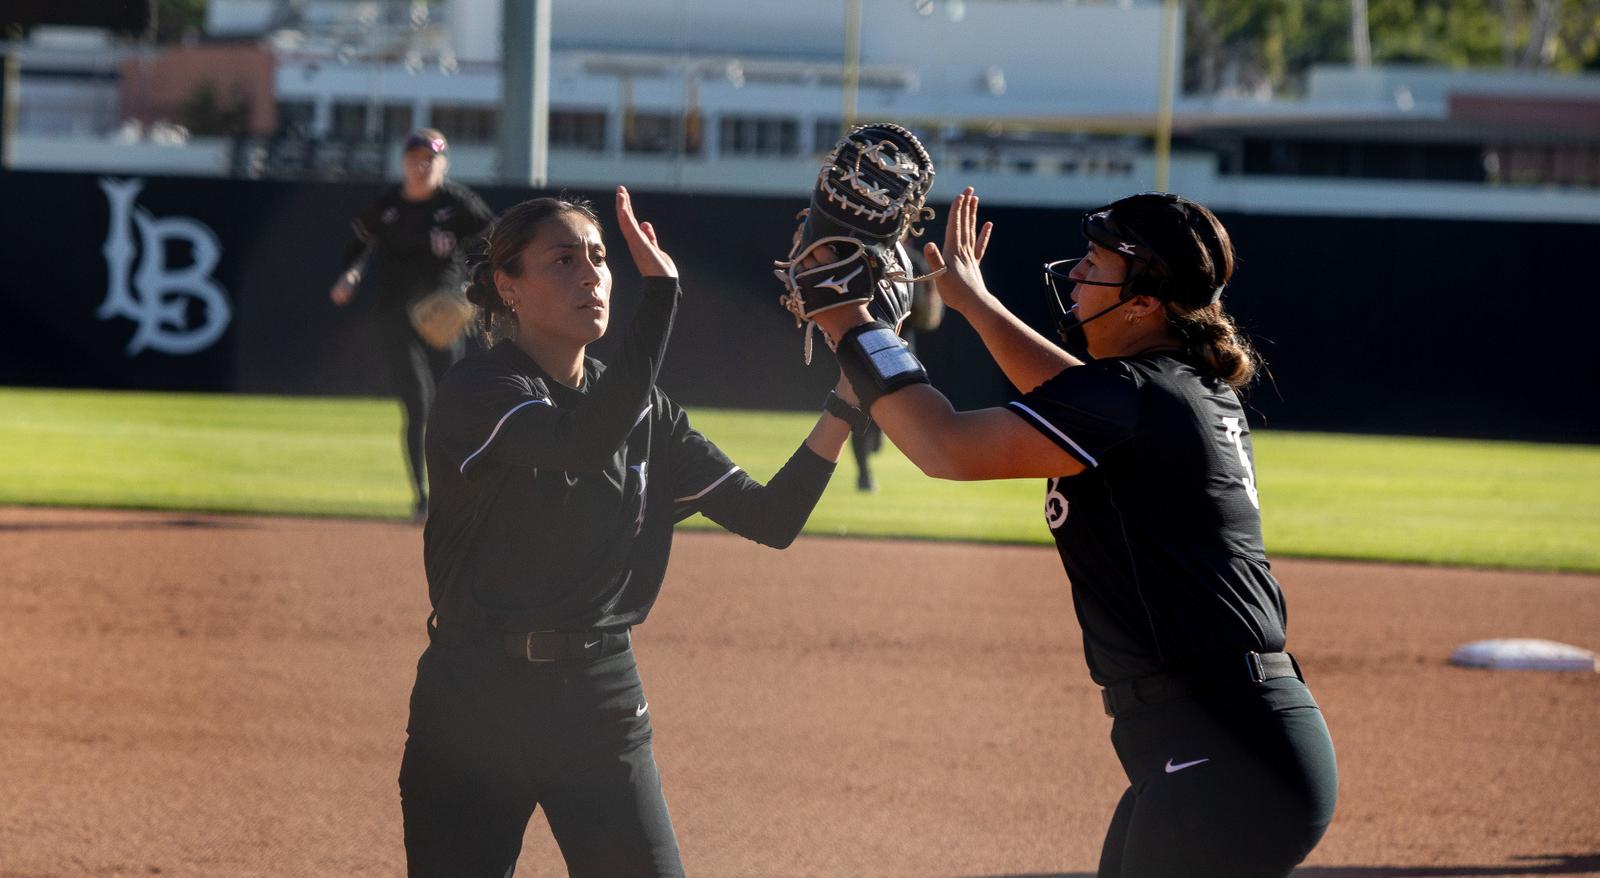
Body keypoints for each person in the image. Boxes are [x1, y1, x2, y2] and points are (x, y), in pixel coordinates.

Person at [809, 188, 1338, 877]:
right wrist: (972, 302)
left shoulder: (1136, 396)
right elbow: (1071, 392)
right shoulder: (1166, 385)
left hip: (1226, 754)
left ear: (1146, 300)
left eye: (1096, 263)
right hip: (1230, 742)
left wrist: (847, 319)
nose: (1078, 274)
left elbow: (942, 445)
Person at [400, 187, 860, 877]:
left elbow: (772, 518)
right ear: (508, 287)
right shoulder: (481, 391)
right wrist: (662, 296)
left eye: (597, 257)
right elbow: (580, 441)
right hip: (473, 703)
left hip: (597, 700)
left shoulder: (650, 414)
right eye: (562, 260)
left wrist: (849, 399)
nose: (590, 274)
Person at [330, 127, 494, 522]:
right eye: (415, 159)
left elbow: (495, 236)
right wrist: (350, 273)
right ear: (404, 163)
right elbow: (359, 242)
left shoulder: (456, 203)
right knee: (416, 405)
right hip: (396, 315)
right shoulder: (388, 206)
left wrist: (475, 283)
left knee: (448, 407)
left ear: (443, 164)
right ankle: (420, 498)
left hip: (444, 314)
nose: (422, 166)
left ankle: (454, 493)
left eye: (430, 159)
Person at [849, 270, 943, 493]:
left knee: (881, 415)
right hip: (865, 348)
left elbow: (928, 318)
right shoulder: (862, 259)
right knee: (859, 414)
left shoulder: (913, 262)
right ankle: (864, 474)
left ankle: (880, 428)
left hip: (899, 351)